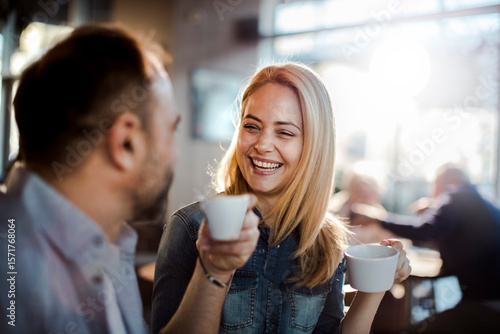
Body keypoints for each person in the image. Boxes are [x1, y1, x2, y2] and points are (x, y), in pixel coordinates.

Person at [0, 24, 260, 334]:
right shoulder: (12, 271)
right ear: (126, 143)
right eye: (171, 131)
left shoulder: (106, 244)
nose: (175, 152)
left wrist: (214, 268)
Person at [152, 62, 411, 334]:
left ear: (313, 146)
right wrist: (213, 272)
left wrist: (377, 282)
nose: (262, 145)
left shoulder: (325, 240)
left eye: (285, 132)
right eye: (252, 126)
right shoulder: (191, 226)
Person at [351, 163, 500, 332]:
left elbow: (424, 230)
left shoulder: (454, 195)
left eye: (433, 186)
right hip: (489, 299)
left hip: (486, 305)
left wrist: (378, 218)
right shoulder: (481, 200)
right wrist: (435, 208)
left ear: (441, 182)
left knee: (417, 329)